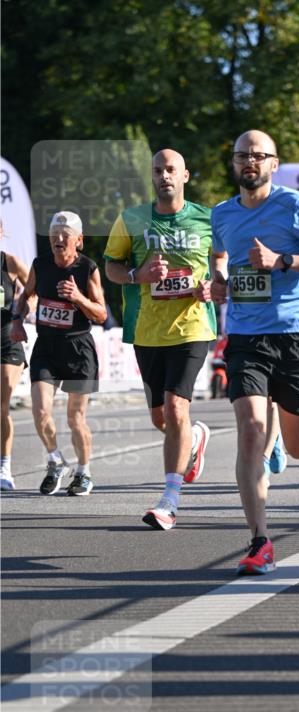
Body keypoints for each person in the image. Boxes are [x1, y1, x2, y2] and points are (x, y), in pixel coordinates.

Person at [205, 129, 299, 575]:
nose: (250, 162)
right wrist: (221, 283)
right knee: (249, 431)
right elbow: (219, 254)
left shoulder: (295, 207)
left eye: (258, 156)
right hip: (246, 337)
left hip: (294, 334)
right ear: (233, 163)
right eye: (242, 155)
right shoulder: (222, 214)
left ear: (273, 163)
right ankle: (259, 541)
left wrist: (284, 261)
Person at [104, 148, 224, 529]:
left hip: (192, 326)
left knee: (175, 409)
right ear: (152, 177)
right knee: (163, 417)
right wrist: (138, 276)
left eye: (171, 169)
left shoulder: (208, 219)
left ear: (185, 175)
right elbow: (112, 266)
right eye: (158, 170)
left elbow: (220, 261)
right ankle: (196, 437)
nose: (164, 176)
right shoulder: (132, 219)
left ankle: (169, 501)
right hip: (146, 329)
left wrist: (212, 284)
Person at [11, 212, 106, 495]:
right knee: (40, 412)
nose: (59, 239)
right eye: (54, 234)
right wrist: (18, 318)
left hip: (79, 349)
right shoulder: (40, 265)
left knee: (75, 418)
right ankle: (55, 460)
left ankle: (84, 472)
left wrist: (77, 297)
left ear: (79, 240)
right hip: (47, 347)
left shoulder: (87, 268)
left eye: (66, 234)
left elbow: (101, 313)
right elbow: (27, 296)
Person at [1, 226, 32, 491]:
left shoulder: (10, 262)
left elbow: (33, 288)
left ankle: (5, 466)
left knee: (1, 403)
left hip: (7, 342)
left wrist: (19, 315)